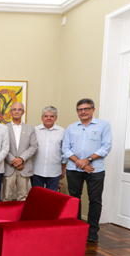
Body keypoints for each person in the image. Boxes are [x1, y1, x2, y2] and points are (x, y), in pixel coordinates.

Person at [62, 98, 112, 242]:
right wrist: (79, 162)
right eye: (80, 109)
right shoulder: (71, 127)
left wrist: (87, 160)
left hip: (95, 169)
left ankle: (92, 232)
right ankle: (76, 229)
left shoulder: (103, 125)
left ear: (93, 110)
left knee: (95, 201)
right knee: (74, 199)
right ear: (77, 111)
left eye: (86, 109)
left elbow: (106, 146)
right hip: (74, 169)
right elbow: (65, 148)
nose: (83, 112)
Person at [2, 103, 38, 201]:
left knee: (23, 197)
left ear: (23, 112)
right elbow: (2, 147)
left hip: (24, 167)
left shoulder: (30, 128)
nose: (17, 111)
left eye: (19, 109)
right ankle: (6, 216)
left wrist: (21, 159)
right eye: (14, 109)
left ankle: (20, 216)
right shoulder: (4, 128)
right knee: (6, 196)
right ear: (10, 112)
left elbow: (33, 146)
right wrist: (14, 161)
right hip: (9, 166)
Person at [32, 106, 67, 191]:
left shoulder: (62, 131)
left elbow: (65, 152)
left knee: (52, 198)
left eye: (52, 116)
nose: (48, 118)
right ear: (42, 117)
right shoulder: (34, 130)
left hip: (54, 171)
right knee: (37, 196)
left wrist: (63, 169)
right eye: (46, 116)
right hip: (36, 170)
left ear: (56, 118)